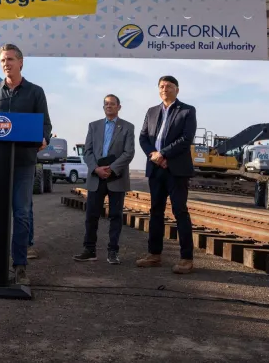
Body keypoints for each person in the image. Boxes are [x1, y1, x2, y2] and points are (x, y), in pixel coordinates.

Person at [0, 43, 51, 286]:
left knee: (21, 214)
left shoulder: (35, 92)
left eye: (9, 59)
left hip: (23, 163)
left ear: (21, 62)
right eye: (2, 60)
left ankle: (20, 266)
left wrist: (43, 138)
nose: (5, 64)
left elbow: (45, 125)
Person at [135, 75, 197, 274]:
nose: (164, 89)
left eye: (169, 86)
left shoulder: (187, 110)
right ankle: (154, 255)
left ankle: (186, 259)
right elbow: (143, 137)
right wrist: (154, 155)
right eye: (161, 86)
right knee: (155, 212)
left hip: (176, 170)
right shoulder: (151, 111)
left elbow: (186, 139)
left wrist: (164, 154)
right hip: (156, 169)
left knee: (180, 212)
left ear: (177, 89)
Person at [73, 94, 134, 265]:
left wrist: (112, 169)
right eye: (106, 104)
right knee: (91, 215)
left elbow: (129, 153)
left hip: (117, 178)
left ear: (119, 107)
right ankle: (89, 250)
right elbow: (88, 152)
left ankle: (113, 252)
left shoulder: (128, 127)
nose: (109, 106)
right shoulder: (94, 126)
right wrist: (96, 169)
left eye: (112, 104)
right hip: (96, 177)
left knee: (115, 216)